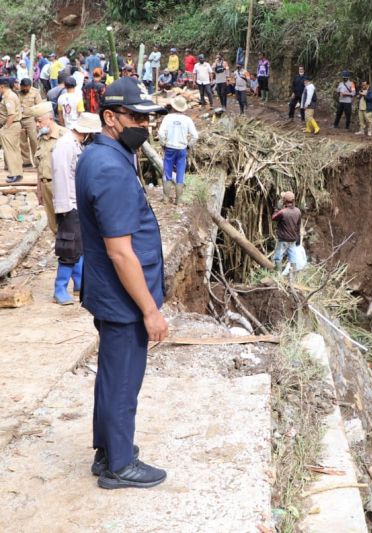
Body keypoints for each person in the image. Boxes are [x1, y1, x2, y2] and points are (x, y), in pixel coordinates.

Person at [75, 77, 169, 489]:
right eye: (135, 117)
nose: (143, 126)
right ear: (110, 118)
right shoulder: (110, 168)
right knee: (124, 380)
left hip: (113, 294)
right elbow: (120, 251)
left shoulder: (104, 155)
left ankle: (107, 452)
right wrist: (150, 310)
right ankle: (119, 465)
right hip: (123, 299)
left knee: (113, 376)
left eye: (146, 118)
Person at [51, 112, 101, 305]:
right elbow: (61, 176)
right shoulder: (65, 146)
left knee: (79, 245)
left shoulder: (76, 145)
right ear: (87, 131)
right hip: (69, 203)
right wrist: (64, 206)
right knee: (68, 245)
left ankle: (80, 283)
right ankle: (60, 288)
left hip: (78, 202)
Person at [158, 96, 198, 204]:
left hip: (170, 147)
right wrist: (189, 145)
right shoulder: (187, 120)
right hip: (182, 149)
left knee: (167, 171)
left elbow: (161, 134)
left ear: (173, 107)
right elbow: (195, 136)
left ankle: (166, 198)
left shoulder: (167, 118)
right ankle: (178, 200)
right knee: (180, 172)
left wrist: (163, 144)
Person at [31, 101, 64, 233]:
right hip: (46, 186)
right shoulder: (41, 138)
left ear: (50, 118)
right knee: (53, 223)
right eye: (35, 122)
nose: (37, 125)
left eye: (39, 121)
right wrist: (39, 189)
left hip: (60, 187)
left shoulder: (64, 136)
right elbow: (39, 167)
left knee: (67, 223)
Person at [0, 78, 24, 183]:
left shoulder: (9, 97)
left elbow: (11, 114)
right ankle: (17, 173)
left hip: (11, 126)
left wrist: (6, 128)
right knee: (14, 150)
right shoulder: (10, 95)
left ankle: (14, 173)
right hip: (14, 125)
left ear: (2, 87)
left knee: (10, 151)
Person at [271, 191, 301, 271]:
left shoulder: (282, 212)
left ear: (284, 201)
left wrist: (277, 209)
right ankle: (293, 278)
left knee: (278, 258)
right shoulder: (298, 211)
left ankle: (278, 277)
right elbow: (298, 226)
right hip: (293, 239)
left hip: (283, 240)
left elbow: (273, 218)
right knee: (293, 259)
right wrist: (298, 238)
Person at [19, 78, 42, 168]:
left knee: (34, 141)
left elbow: (39, 106)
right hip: (20, 119)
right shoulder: (17, 93)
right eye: (23, 87)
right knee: (22, 142)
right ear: (21, 86)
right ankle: (26, 162)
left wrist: (38, 120)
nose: (25, 89)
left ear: (30, 86)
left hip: (31, 119)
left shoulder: (35, 92)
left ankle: (37, 162)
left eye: (27, 87)